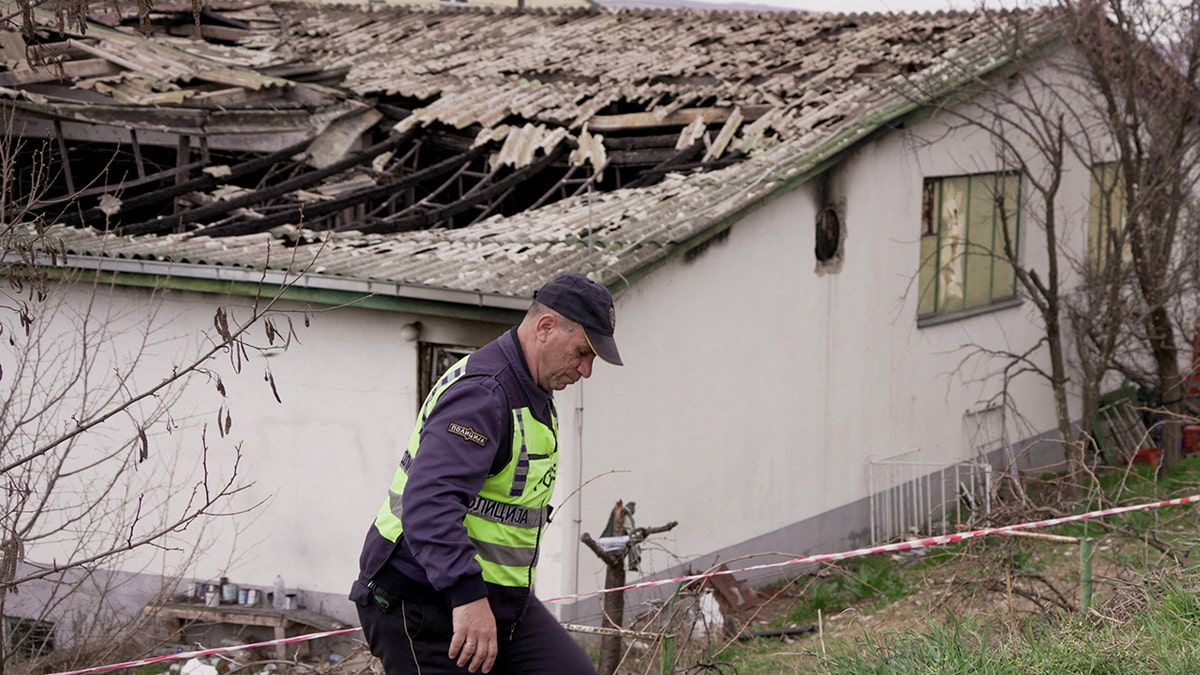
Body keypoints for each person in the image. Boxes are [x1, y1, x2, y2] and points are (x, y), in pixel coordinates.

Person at [350, 273, 623, 674]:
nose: (586, 370)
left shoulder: (531, 388)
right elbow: (428, 505)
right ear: (546, 328)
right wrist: (467, 598)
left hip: (496, 601)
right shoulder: (485, 394)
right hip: (423, 603)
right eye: (582, 352)